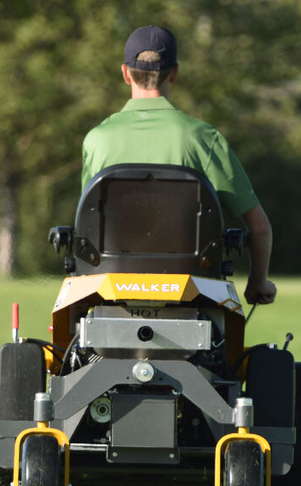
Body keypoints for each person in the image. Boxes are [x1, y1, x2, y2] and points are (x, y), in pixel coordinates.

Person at [80, 25, 276, 305]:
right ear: (174, 73)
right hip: (193, 295)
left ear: (125, 73)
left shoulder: (96, 140)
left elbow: (88, 226)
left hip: (110, 292)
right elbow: (258, 226)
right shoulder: (203, 138)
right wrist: (257, 283)